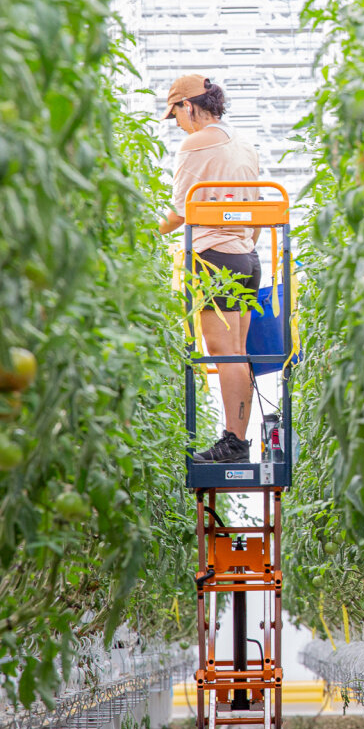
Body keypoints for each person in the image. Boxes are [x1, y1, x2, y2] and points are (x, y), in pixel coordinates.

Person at [157, 74, 262, 464]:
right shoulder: (244, 144)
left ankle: (234, 443)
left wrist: (142, 232)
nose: (178, 125)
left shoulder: (194, 144)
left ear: (189, 106)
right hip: (247, 258)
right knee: (238, 352)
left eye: (177, 114)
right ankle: (238, 440)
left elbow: (179, 212)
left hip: (214, 255)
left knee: (224, 354)